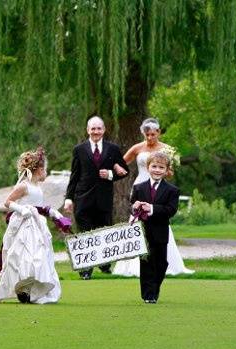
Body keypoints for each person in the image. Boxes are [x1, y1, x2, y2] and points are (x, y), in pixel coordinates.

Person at [112, 118, 193, 277]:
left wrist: (165, 173)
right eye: (147, 134)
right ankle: (132, 263)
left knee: (159, 221)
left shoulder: (167, 149)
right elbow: (120, 162)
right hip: (140, 187)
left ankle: (163, 261)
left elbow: (171, 173)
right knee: (137, 222)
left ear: (159, 133)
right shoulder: (137, 148)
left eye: (153, 134)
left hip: (158, 189)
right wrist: (116, 169)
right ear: (143, 133)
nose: (150, 138)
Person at [0, 147, 62, 304]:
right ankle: (22, 287)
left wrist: (53, 213)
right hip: (23, 226)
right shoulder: (23, 186)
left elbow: (38, 206)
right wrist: (21, 209)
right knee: (23, 256)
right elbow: (8, 201)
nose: (46, 174)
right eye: (45, 170)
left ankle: (32, 288)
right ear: (39, 169)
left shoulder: (37, 188)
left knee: (39, 255)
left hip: (37, 225)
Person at [63, 116, 129, 279]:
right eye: (93, 129)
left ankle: (105, 264)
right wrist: (69, 198)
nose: (96, 132)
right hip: (83, 198)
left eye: (99, 128)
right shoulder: (79, 149)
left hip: (104, 199)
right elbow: (75, 175)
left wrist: (111, 174)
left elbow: (124, 170)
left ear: (104, 130)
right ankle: (86, 269)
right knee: (85, 233)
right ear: (88, 130)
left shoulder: (113, 149)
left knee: (103, 232)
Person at [130, 151, 180, 303]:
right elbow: (132, 205)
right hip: (143, 232)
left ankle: (154, 288)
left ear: (166, 170)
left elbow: (170, 210)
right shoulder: (138, 187)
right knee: (146, 263)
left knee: (161, 263)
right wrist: (135, 206)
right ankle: (148, 294)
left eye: (161, 167)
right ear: (148, 167)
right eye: (154, 166)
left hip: (160, 232)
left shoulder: (172, 190)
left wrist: (151, 208)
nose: (157, 170)